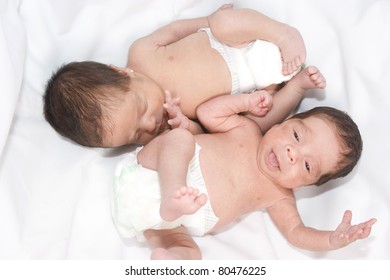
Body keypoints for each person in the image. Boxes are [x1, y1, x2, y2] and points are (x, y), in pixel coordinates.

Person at [111, 66, 376, 260]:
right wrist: (245, 102)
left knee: (190, 253)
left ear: (310, 185)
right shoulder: (246, 130)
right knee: (179, 139)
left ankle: (170, 262)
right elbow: (206, 113)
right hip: (153, 171)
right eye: (296, 136)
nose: (292, 153)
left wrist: (332, 239)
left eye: (307, 166)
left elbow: (297, 233)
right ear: (284, 121)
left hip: (166, 224)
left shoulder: (278, 196)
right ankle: (173, 192)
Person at [43, 5, 307, 147]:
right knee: (254, 128)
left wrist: (208, 20)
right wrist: (185, 126)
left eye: (141, 109)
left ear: (123, 72)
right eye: (136, 135)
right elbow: (203, 131)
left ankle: (283, 34)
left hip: (235, 42)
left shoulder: (141, 52)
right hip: (254, 91)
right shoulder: (166, 128)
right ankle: (295, 87)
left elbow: (176, 30)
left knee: (224, 22)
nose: (148, 125)